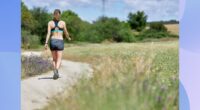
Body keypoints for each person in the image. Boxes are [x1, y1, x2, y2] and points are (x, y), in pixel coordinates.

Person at [44, 9, 71, 79]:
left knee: (54, 59)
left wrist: (46, 43)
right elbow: (66, 32)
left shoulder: (50, 23)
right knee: (59, 58)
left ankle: (55, 72)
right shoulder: (63, 23)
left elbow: (48, 33)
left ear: (54, 14)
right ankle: (56, 70)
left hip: (52, 41)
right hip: (60, 41)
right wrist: (68, 38)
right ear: (60, 14)